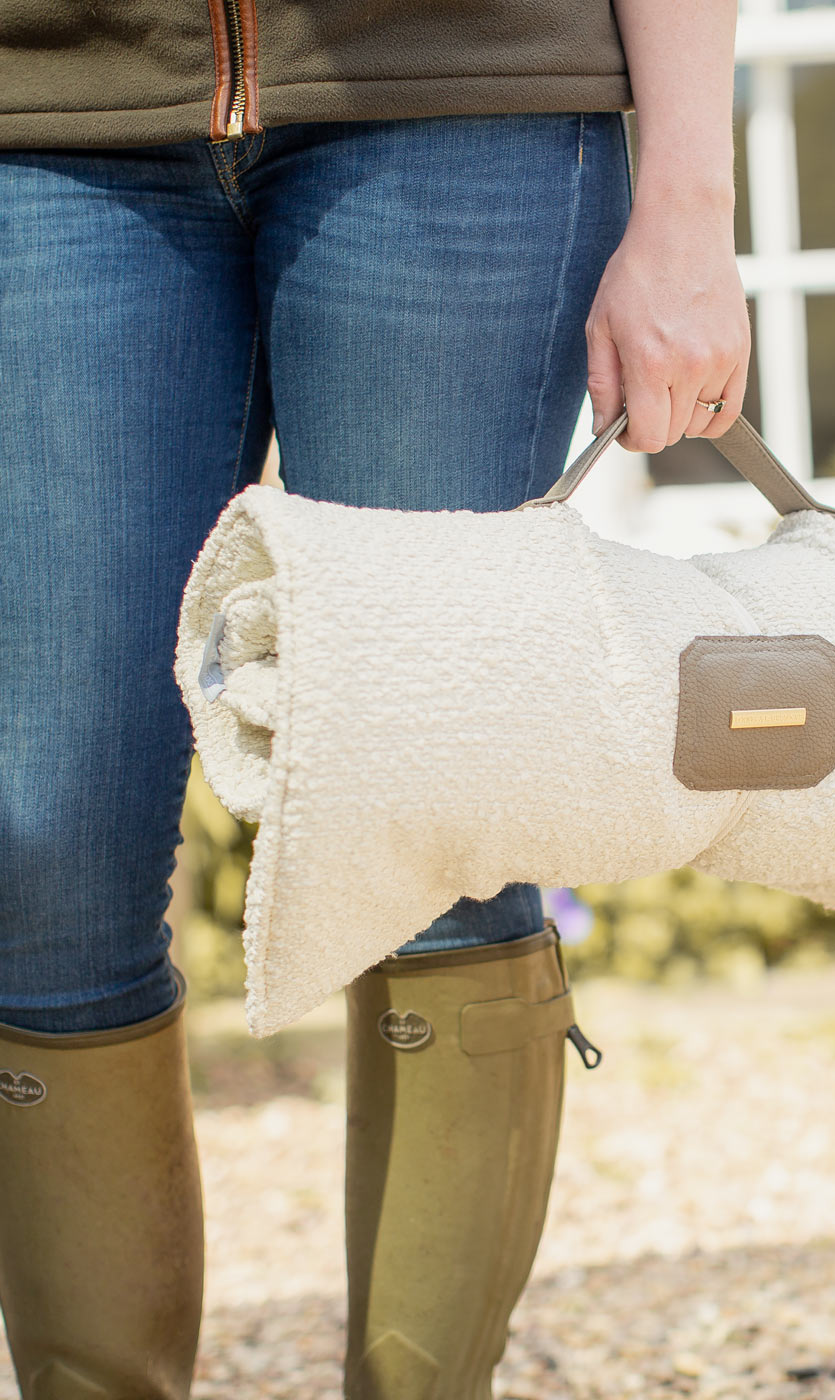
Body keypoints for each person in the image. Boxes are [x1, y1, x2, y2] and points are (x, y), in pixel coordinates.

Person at [0, 3, 749, 1395]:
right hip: (46, 106)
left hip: (461, 90)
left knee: (446, 820)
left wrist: (691, 201)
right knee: (41, 843)